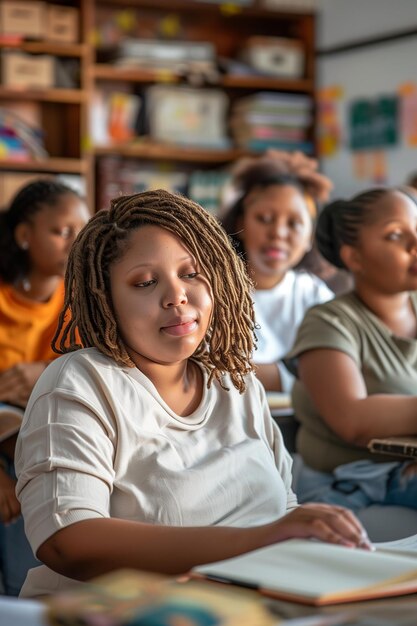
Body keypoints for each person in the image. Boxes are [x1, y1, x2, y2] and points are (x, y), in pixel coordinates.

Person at [15, 189, 370, 598]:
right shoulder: (80, 382)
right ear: (106, 301)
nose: (177, 296)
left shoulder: (235, 381)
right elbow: (68, 542)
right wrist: (259, 542)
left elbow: (279, 508)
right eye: (146, 282)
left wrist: (313, 533)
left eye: (190, 273)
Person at [284, 187, 417, 511]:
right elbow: (352, 420)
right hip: (354, 482)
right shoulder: (328, 322)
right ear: (353, 257)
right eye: (396, 235)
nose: (415, 244)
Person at [0, 178, 89, 595]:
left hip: (42, 438)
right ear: (23, 234)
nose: (74, 243)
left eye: (80, 232)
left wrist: (43, 371)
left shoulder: (82, 299)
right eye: (61, 231)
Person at [221, 154, 334, 392]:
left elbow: (334, 372)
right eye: (264, 219)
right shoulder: (213, 291)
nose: (278, 233)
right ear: (240, 223)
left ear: (309, 238)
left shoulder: (314, 294)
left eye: (293, 223)